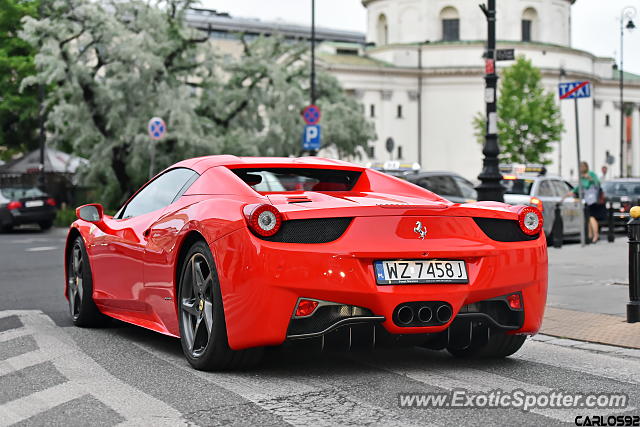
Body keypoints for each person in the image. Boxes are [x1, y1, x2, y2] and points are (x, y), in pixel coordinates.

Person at [563, 161, 606, 243]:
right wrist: (568, 194)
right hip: (587, 200)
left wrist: (589, 178)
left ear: (586, 167)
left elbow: (597, 183)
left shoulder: (591, 174)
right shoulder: (581, 177)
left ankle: (595, 235)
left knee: (591, 217)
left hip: (593, 200)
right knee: (588, 218)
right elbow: (578, 187)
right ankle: (590, 236)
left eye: (582, 167)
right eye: (580, 167)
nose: (581, 168)